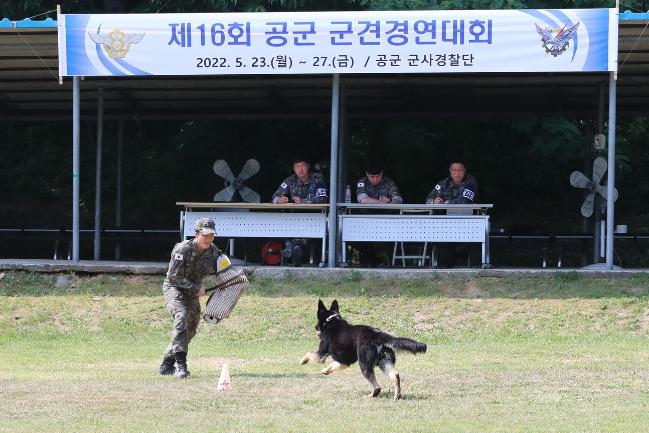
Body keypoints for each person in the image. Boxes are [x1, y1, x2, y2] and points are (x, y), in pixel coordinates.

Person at [159, 218, 221, 378]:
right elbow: (173, 277)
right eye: (205, 234)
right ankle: (181, 365)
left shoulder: (213, 252)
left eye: (211, 235)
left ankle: (166, 363)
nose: (208, 238)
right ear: (196, 234)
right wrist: (196, 288)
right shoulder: (183, 249)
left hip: (192, 292)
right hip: (174, 288)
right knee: (181, 317)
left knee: (191, 329)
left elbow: (223, 269)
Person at [271, 155, 328, 266]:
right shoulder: (290, 180)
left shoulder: (318, 178)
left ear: (308, 166)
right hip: (293, 219)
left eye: (302, 166)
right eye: (297, 167)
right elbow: (274, 196)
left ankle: (291, 251)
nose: (300, 169)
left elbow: (323, 199)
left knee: (302, 236)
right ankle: (294, 252)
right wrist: (279, 200)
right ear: (294, 168)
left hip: (313, 219)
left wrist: (303, 201)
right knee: (287, 229)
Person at [426, 160, 478, 267]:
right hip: (446, 224)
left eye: (460, 170)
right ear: (450, 171)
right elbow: (428, 199)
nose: (457, 173)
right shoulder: (443, 183)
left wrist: (448, 202)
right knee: (441, 241)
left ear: (464, 171)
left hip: (465, 223)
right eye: (454, 170)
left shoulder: (470, 182)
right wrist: (434, 201)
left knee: (461, 247)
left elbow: (465, 201)